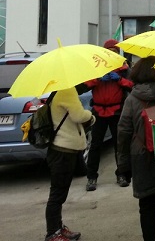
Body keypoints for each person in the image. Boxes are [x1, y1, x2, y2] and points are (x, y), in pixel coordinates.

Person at [117, 56, 155, 241]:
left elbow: (123, 133)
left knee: (147, 209)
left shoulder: (132, 99)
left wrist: (123, 167)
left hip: (142, 160)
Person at [44, 87, 95, 241]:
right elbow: (79, 115)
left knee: (59, 193)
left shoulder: (57, 91)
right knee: (57, 194)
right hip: (63, 151)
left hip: (61, 149)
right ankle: (53, 233)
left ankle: (58, 228)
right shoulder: (67, 90)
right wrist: (91, 116)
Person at [84, 38, 133, 192]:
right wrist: (98, 79)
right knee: (95, 146)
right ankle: (91, 177)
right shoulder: (95, 67)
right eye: (109, 52)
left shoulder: (124, 68)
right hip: (98, 111)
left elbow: (132, 86)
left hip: (117, 110)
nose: (112, 54)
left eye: (115, 52)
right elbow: (84, 85)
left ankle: (122, 175)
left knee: (120, 145)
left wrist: (119, 80)